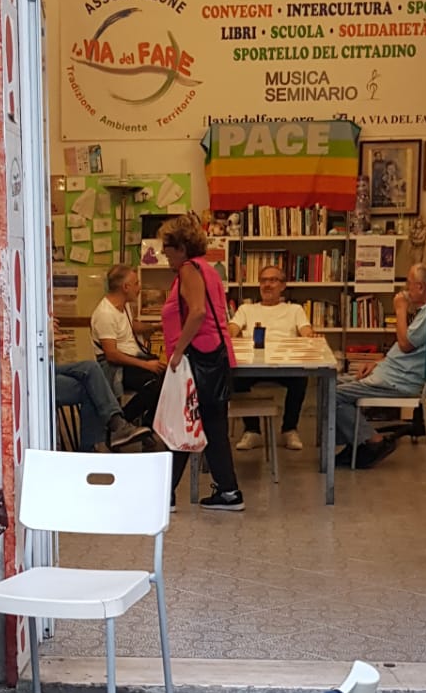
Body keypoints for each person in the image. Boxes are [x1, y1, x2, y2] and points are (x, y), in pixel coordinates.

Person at [160, 214, 243, 512]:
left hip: (198, 358)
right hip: (214, 355)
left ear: (181, 248)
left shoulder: (188, 269)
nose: (164, 255)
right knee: (212, 427)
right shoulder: (208, 269)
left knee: (181, 424)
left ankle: (164, 495)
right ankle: (228, 491)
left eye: (167, 249)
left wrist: (178, 351)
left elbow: (197, 312)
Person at [333, 263, 426, 469]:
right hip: (392, 372)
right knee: (331, 382)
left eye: (409, 284)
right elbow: (411, 351)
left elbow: (405, 344)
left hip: (399, 380)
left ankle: (372, 441)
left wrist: (400, 310)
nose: (406, 290)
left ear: (421, 287)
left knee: (332, 394)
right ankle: (358, 442)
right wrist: (378, 362)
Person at [228, 263, 313, 452]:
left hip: (284, 362)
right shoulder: (246, 309)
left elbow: (306, 330)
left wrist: (310, 336)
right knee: (236, 378)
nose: (267, 285)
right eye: (263, 280)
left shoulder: (295, 309)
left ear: (282, 285)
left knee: (300, 379)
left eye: (273, 280)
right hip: (253, 363)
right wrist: (230, 333)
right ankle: (252, 430)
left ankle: (289, 429)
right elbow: (232, 328)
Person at [52, 317, 148, 451]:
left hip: (48, 368)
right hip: (35, 376)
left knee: (91, 375)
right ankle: (109, 433)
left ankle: (109, 433)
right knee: (91, 380)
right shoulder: (105, 313)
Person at [89, 263, 164, 429]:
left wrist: (157, 327)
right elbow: (111, 354)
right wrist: (146, 365)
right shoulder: (105, 314)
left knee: (168, 376)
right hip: (117, 366)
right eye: (136, 283)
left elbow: (131, 327)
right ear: (125, 287)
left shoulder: (124, 306)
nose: (139, 287)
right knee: (154, 383)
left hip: (132, 358)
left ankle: (147, 425)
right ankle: (122, 423)